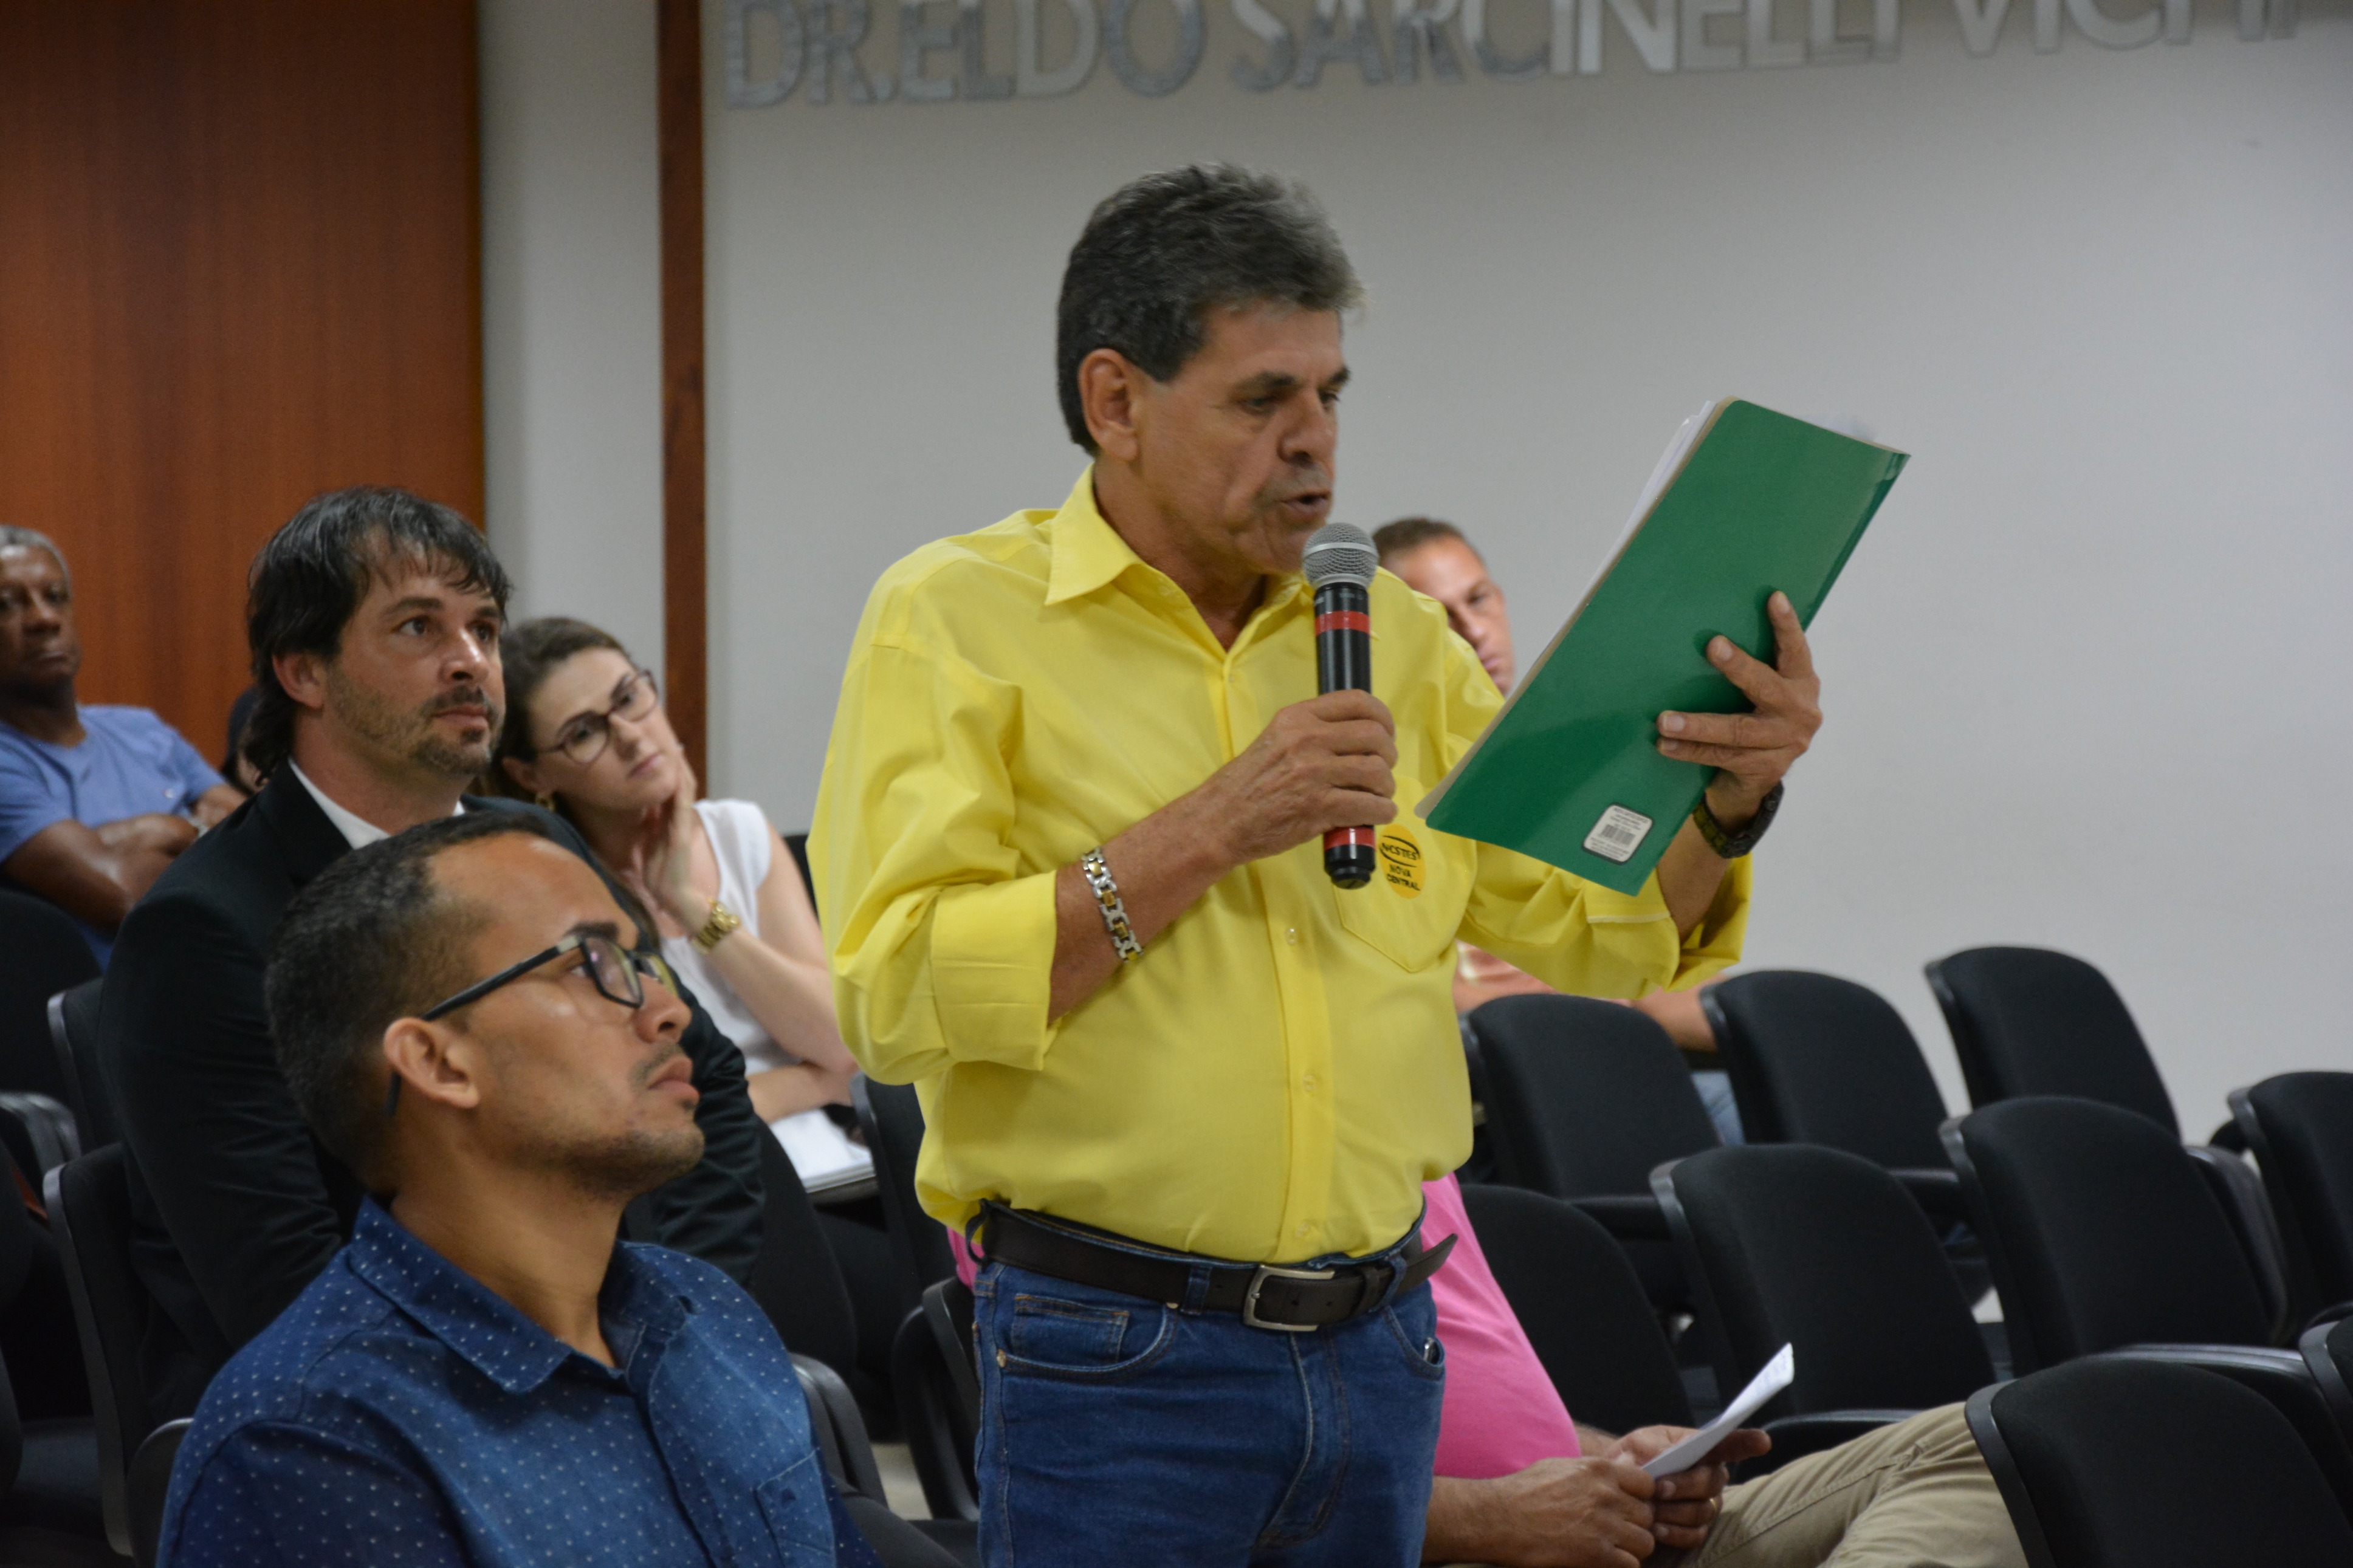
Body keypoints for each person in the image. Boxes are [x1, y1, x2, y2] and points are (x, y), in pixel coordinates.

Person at [812, 165, 1821, 1565]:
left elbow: (1599, 932)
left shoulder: (1394, 637)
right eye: (1260, 399)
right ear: (1115, 401)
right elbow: (897, 992)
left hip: (1381, 1343)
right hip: (1118, 1356)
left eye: (1331, 394)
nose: (1315, 445)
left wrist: (1726, 800)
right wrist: (1210, 827)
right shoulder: (954, 620)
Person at [101, 487, 765, 1422]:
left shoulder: (539, 845)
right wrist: (565, 1387)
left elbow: (707, 1081)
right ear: (304, 671)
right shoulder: (203, 930)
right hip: (348, 1423)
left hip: (621, 1357)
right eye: (418, 627)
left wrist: (674, 1338)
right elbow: (285, 1277)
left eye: (484, 628)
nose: (471, 662)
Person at [158, 812, 893, 1568]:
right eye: (591, 964)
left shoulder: (704, 1309)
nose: (667, 1009)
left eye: (643, 961)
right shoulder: (315, 1443)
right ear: (439, 1063)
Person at [1416, 1173, 2022, 1568]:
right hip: (1459, 1544)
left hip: (1589, 1525)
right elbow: (1348, 1494)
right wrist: (1493, 1516)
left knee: (1996, 1442)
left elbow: (1472, 1393)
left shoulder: (1416, 1152)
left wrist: (1611, 1461)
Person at [1375, 518, 1740, 1142]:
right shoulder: (1397, 785)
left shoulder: (1573, 767)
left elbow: (1649, 973)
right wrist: (1591, 1007)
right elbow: (1425, 995)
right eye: (1439, 614)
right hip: (1514, 1093)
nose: (1472, 630)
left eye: (1478, 600)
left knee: (1803, 1093)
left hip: (1622, 1052)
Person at [492, 616, 867, 1187]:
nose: (633, 737)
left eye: (629, 697)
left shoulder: (738, 831)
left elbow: (842, 1041)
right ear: (531, 774)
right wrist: (811, 1083)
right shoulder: (556, 898)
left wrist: (690, 906)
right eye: (585, 733)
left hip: (842, 1166)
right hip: (706, 1183)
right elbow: (644, 1113)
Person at [0, 526, 243, 961]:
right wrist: (186, 826)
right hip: (119, 995)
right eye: (6, 605)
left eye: (55, 596)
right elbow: (125, 895)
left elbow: (257, 840)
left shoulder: (141, 729)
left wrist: (162, 835)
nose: (44, 619)